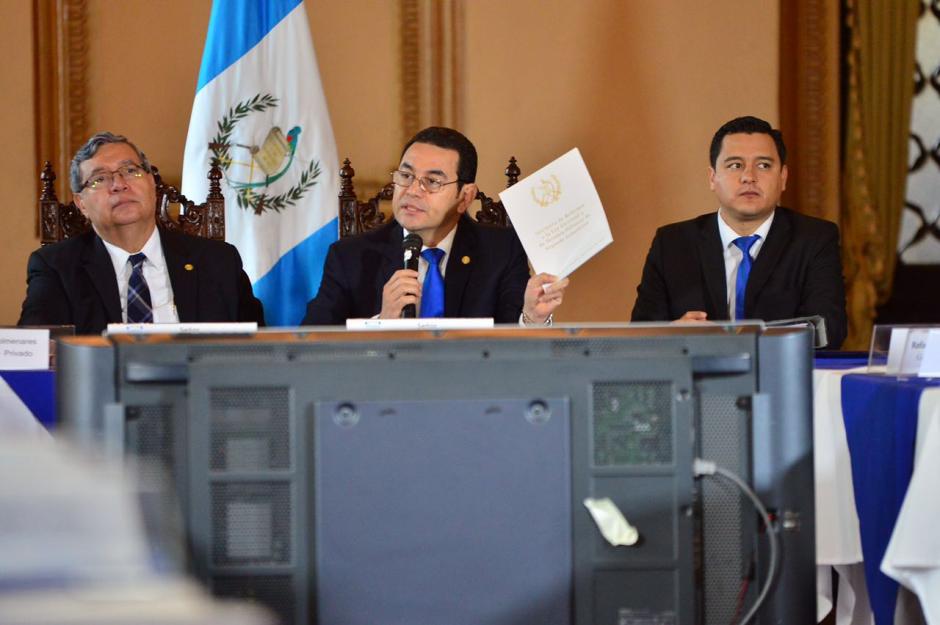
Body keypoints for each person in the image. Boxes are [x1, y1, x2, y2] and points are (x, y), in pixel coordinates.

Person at [303, 127, 568, 325]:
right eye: (406, 176)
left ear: (465, 196)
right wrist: (381, 322)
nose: (413, 191)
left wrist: (532, 317)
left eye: (432, 182)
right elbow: (312, 347)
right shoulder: (350, 256)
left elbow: (514, 348)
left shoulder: (502, 251)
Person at [631, 116, 847, 348]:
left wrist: (735, 339)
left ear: (783, 178)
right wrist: (674, 334)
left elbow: (830, 330)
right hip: (695, 378)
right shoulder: (672, 244)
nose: (749, 177)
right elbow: (640, 336)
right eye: (735, 165)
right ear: (712, 178)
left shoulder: (814, 238)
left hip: (780, 378)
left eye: (763, 165)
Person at [18, 132, 264, 334]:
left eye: (130, 171)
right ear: (81, 204)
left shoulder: (218, 261)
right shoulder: (56, 268)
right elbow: (35, 356)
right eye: (99, 179)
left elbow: (258, 353)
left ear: (152, 185)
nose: (118, 185)